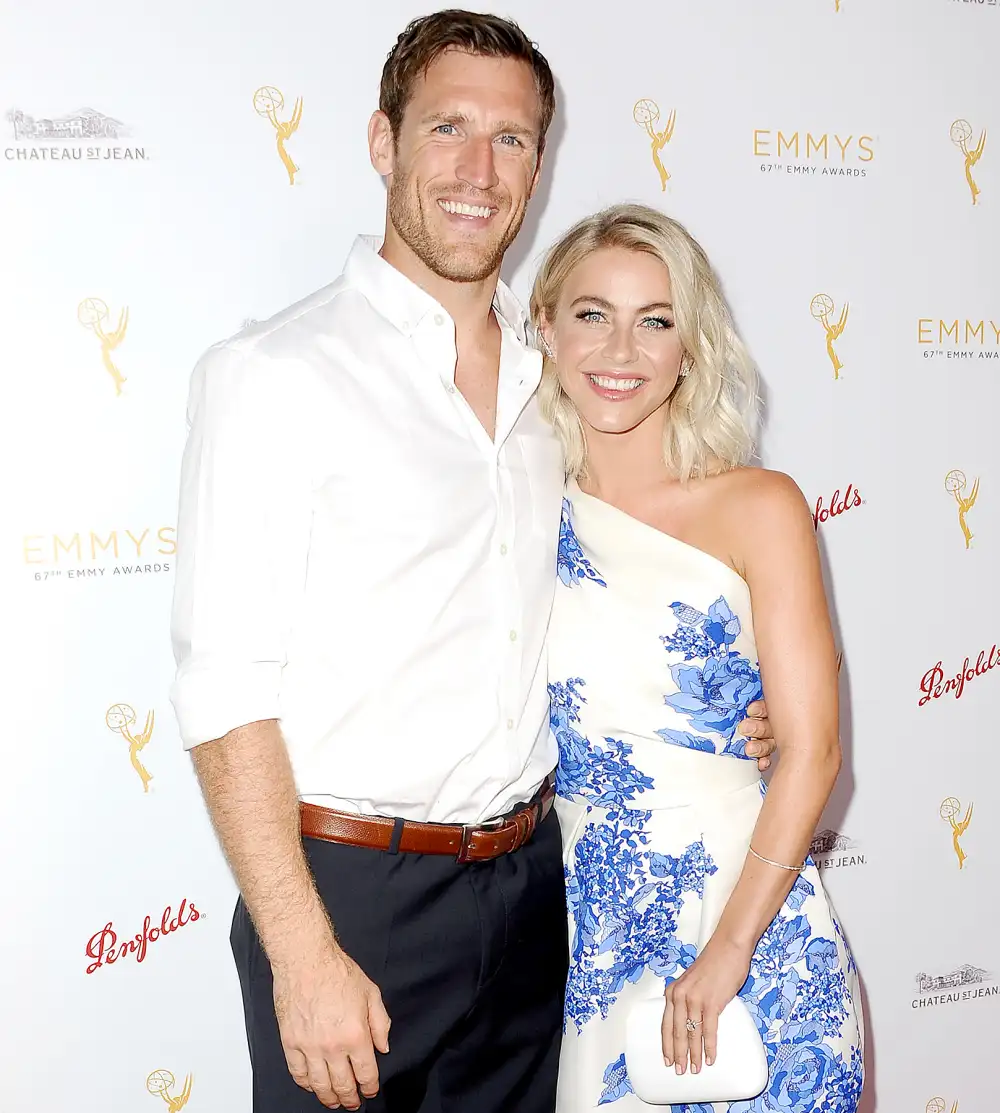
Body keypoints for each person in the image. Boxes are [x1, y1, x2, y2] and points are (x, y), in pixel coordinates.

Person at [169, 12, 776, 1113]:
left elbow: (654, 565)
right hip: (351, 901)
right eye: (446, 127)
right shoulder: (275, 374)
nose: (476, 170)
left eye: (511, 139)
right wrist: (301, 954)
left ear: (540, 165)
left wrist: (740, 705)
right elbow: (224, 694)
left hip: (536, 889)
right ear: (381, 142)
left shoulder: (568, 384)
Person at [531, 203, 864, 1112]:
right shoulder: (518, 507)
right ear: (547, 330)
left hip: (752, 927)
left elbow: (814, 751)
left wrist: (726, 955)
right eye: (593, 314)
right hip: (598, 939)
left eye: (657, 320)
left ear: (691, 346)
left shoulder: (760, 505)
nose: (620, 350)